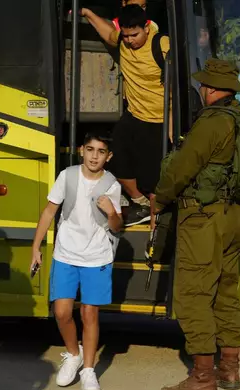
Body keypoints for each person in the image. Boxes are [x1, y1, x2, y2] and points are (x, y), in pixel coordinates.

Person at [154, 59, 240, 390]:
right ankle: (230, 369)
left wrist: (159, 198)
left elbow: (181, 168)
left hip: (204, 217)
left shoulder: (212, 122)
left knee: (194, 293)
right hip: (236, 215)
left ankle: (203, 378)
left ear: (209, 88)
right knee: (227, 291)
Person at [30, 131, 123, 390]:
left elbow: (117, 226)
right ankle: (74, 354)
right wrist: (36, 247)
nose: (95, 156)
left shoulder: (112, 185)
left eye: (101, 151)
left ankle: (89, 370)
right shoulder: (67, 175)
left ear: (108, 156)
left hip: (97, 256)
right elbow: (49, 211)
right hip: (66, 253)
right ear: (82, 150)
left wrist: (111, 211)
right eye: (90, 150)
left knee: (89, 313)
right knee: (61, 312)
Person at [80, 5, 170, 227]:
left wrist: (172, 124)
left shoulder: (162, 44)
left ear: (147, 27)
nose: (129, 41)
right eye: (126, 35)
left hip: (158, 121)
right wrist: (87, 13)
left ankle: (155, 231)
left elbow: (178, 85)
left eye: (134, 35)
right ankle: (139, 203)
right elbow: (107, 32)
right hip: (134, 115)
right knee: (113, 158)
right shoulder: (121, 39)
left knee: (153, 183)